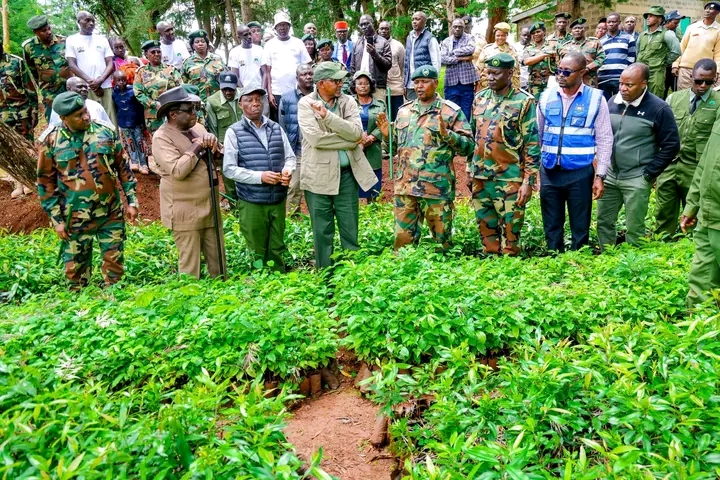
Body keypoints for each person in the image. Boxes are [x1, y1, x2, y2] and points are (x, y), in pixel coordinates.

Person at [37, 91, 138, 289]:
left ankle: (115, 301)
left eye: (85, 111)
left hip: (110, 212)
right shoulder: (51, 141)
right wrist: (57, 220)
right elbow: (45, 184)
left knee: (115, 267)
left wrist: (132, 201)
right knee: (76, 274)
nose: (86, 117)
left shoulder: (105, 132)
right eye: (78, 115)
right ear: (64, 118)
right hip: (74, 217)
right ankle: (79, 309)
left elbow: (123, 169)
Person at [376, 65, 474, 250]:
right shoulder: (404, 111)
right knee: (402, 244)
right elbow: (397, 147)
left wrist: (448, 135)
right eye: (416, 82)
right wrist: (388, 136)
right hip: (406, 187)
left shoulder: (450, 111)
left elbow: (469, 147)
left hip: (436, 189)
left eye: (424, 82)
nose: (419, 86)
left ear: (435, 83)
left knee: (441, 244)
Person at [297, 62, 377, 269]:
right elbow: (316, 140)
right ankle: (326, 277)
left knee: (350, 229)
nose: (341, 83)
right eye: (335, 80)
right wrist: (350, 141)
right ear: (321, 83)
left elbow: (357, 132)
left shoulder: (347, 101)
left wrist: (327, 116)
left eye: (341, 79)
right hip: (317, 177)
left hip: (347, 176)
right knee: (322, 232)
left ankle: (352, 276)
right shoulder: (305, 103)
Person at [597, 63, 680, 250]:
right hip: (610, 175)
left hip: (637, 177)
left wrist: (649, 173)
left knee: (634, 227)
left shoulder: (659, 108)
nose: (623, 89)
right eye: (621, 84)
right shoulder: (612, 102)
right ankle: (605, 260)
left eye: (629, 85)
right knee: (604, 222)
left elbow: (671, 145)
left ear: (643, 84)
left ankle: (634, 267)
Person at [537, 52, 613, 252]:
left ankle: (579, 263)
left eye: (567, 72)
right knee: (551, 224)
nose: (561, 75)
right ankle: (554, 261)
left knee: (580, 225)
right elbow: (537, 134)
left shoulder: (596, 99)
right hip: (550, 170)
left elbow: (605, 138)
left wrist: (600, 175)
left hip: (579, 173)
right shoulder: (545, 97)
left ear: (581, 73)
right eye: (558, 71)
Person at [468, 53, 539, 256]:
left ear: (510, 73)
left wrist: (528, 181)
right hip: (481, 177)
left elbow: (532, 144)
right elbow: (474, 138)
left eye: (495, 73)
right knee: (485, 228)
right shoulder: (479, 99)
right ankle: (490, 266)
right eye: (487, 73)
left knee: (511, 231)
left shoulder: (523, 102)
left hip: (510, 178)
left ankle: (510, 269)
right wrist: (468, 169)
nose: (490, 77)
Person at [152, 86, 225, 278]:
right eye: (190, 110)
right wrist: (197, 146)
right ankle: (192, 302)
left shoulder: (198, 128)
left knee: (218, 261)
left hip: (209, 205)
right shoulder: (161, 138)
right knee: (190, 266)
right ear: (173, 114)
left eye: (195, 109)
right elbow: (177, 171)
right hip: (185, 210)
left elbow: (218, 159)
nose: (195, 113)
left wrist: (216, 148)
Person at [223, 84, 296, 271]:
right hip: (252, 200)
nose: (255, 104)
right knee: (257, 247)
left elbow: (290, 157)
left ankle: (279, 282)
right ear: (240, 104)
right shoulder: (234, 132)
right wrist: (260, 177)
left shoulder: (276, 128)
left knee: (277, 244)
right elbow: (229, 169)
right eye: (249, 100)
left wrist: (287, 171)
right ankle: (259, 281)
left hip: (277, 199)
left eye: (259, 100)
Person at [655, 59, 720, 238]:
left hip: (696, 167)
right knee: (663, 212)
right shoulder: (674, 98)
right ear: (691, 77)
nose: (703, 85)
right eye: (699, 81)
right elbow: (661, 133)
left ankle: (690, 250)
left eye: (709, 81)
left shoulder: (718, 103)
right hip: (670, 165)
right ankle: (662, 247)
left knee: (694, 215)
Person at [681, 103, 720, 308]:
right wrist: (693, 204)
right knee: (701, 283)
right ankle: (698, 334)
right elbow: (707, 160)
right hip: (708, 214)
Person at [65, 11, 116, 127]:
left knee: (111, 120)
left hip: (106, 86)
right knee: (91, 119)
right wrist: (91, 83)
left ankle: (114, 144)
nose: (91, 23)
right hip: (85, 89)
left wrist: (100, 80)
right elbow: (72, 65)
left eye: (93, 20)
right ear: (79, 22)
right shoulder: (72, 40)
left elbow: (110, 63)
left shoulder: (102, 39)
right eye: (87, 20)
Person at [1, 40, 38, 198]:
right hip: (2, 116)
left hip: (21, 111)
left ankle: (33, 180)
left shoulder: (16, 62)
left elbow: (29, 86)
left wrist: (35, 109)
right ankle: (18, 183)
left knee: (26, 146)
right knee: (9, 150)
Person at [262, 12, 312, 122]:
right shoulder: (269, 45)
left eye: (285, 25)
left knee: (298, 120)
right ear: (275, 28)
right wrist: (269, 93)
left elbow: (307, 66)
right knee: (279, 122)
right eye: (280, 25)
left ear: (289, 27)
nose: (282, 28)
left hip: (297, 91)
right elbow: (268, 72)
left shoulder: (298, 42)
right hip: (277, 92)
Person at [22, 15, 73, 122]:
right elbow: (32, 70)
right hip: (49, 92)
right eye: (44, 31)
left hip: (69, 88)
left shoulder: (64, 41)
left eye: (49, 28)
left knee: (73, 117)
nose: (49, 32)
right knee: (53, 121)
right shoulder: (29, 47)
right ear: (35, 32)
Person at [279, 64, 314, 215]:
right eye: (304, 74)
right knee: (294, 187)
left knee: (316, 187)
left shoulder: (320, 95)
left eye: (310, 74)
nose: (308, 77)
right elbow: (282, 126)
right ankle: (293, 221)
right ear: (297, 78)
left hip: (317, 149)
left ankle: (315, 219)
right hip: (297, 149)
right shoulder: (286, 98)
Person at [133, 40, 182, 138]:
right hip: (153, 116)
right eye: (153, 52)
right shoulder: (141, 72)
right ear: (146, 55)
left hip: (172, 113)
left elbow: (180, 88)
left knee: (176, 139)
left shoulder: (171, 69)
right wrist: (154, 104)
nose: (156, 54)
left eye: (158, 52)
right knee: (158, 141)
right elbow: (138, 93)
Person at [206, 72, 242, 205]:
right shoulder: (212, 102)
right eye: (225, 89)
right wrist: (218, 147)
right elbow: (213, 126)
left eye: (231, 89)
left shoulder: (244, 96)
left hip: (245, 141)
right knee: (229, 177)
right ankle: (234, 206)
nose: (228, 92)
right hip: (226, 145)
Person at [350, 71, 385, 202]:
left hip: (373, 148)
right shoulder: (348, 103)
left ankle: (373, 208)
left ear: (371, 86)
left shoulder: (380, 104)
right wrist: (359, 138)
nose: (363, 86)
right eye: (360, 83)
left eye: (366, 83)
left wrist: (371, 137)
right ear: (354, 86)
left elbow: (383, 125)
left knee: (373, 182)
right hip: (354, 146)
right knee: (354, 178)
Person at [672, 2, 720, 90]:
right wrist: (675, 64)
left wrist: (717, 70)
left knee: (702, 96)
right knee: (684, 95)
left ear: (717, 12)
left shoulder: (718, 30)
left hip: (704, 71)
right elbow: (682, 46)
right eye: (706, 8)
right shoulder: (692, 27)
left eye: (711, 9)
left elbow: (718, 54)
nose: (708, 11)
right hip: (685, 69)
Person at [636, 6, 681, 98]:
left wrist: (663, 62)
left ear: (659, 19)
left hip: (656, 72)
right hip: (641, 72)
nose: (648, 18)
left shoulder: (667, 34)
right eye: (647, 16)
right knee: (639, 96)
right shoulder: (642, 35)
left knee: (655, 97)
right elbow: (637, 52)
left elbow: (676, 51)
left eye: (651, 16)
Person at [441, 18, 478, 122]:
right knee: (451, 112)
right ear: (452, 27)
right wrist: (462, 58)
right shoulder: (446, 41)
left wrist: (453, 52)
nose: (457, 29)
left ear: (464, 27)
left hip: (467, 83)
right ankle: (454, 135)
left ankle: (466, 135)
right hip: (451, 83)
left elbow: (471, 49)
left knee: (466, 113)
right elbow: (443, 58)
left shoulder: (470, 38)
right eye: (455, 27)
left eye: (460, 27)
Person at [113, 70, 149, 174]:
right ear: (114, 81)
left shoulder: (132, 91)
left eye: (123, 80)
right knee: (130, 143)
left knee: (139, 142)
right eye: (119, 80)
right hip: (123, 123)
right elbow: (116, 108)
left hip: (135, 122)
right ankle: (134, 162)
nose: (121, 82)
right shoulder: (114, 93)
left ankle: (143, 164)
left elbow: (139, 108)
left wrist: (142, 123)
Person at [351, 15, 392, 103]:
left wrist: (375, 54)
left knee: (379, 115)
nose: (363, 27)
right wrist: (354, 85)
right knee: (360, 115)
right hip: (360, 88)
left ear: (372, 24)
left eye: (366, 24)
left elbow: (388, 64)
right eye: (361, 25)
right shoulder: (357, 43)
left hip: (377, 87)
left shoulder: (383, 42)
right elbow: (353, 67)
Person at [557, 18, 606, 88]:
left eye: (580, 28)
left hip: (589, 80)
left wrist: (588, 68)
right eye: (575, 28)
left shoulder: (594, 43)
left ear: (585, 29)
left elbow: (601, 58)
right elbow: (560, 64)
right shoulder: (565, 46)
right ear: (571, 31)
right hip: (571, 81)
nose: (577, 30)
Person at [598, 12, 636, 100]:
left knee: (620, 103)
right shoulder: (600, 41)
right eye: (609, 22)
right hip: (603, 78)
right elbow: (598, 59)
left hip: (620, 79)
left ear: (619, 23)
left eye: (614, 22)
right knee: (605, 104)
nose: (611, 24)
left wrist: (626, 75)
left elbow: (631, 59)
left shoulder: (628, 38)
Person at [181, 29, 227, 102]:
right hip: (198, 102)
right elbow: (185, 85)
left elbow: (226, 78)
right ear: (192, 45)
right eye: (197, 42)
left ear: (207, 44)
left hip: (218, 101)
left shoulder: (217, 59)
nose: (200, 44)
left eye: (203, 41)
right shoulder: (187, 63)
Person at [404, 12, 441, 100]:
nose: (414, 22)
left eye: (417, 19)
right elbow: (406, 63)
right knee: (412, 110)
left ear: (424, 22)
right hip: (411, 83)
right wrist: (405, 83)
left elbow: (436, 61)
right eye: (413, 19)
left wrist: (433, 81)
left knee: (426, 110)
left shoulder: (430, 38)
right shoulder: (409, 37)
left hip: (425, 83)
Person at [475, 22, 520, 91]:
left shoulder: (512, 51)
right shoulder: (487, 49)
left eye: (503, 36)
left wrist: (517, 88)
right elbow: (478, 69)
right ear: (494, 36)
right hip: (488, 86)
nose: (500, 38)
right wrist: (477, 88)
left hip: (507, 88)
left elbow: (516, 71)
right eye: (498, 35)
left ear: (506, 36)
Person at [378, 21, 405, 121]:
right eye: (382, 28)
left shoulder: (398, 46)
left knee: (397, 117)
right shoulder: (374, 45)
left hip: (395, 88)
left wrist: (401, 83)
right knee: (383, 118)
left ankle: (397, 137)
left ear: (390, 30)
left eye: (386, 28)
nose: (384, 31)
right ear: (378, 30)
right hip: (380, 88)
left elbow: (402, 65)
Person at [228, 23, 263, 89]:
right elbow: (235, 76)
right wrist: (244, 91)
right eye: (245, 35)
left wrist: (263, 90)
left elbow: (265, 73)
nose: (249, 37)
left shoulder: (260, 50)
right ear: (239, 37)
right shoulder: (234, 52)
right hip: (244, 93)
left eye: (250, 33)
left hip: (260, 91)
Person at [523, 22, 552, 100]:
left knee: (550, 105)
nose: (536, 34)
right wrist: (544, 55)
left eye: (538, 32)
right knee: (535, 106)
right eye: (533, 33)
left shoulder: (553, 45)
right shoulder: (528, 48)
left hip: (551, 82)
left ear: (544, 32)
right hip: (535, 84)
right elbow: (527, 61)